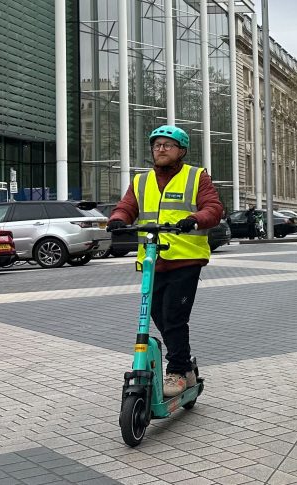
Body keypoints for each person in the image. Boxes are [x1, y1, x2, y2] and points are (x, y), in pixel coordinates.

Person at [107, 125, 224, 398]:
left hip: (185, 258)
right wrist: (118, 219)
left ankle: (179, 370)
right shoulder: (141, 180)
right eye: (156, 145)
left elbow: (213, 208)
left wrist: (194, 219)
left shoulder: (196, 176)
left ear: (181, 151)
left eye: (167, 145)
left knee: (173, 316)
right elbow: (128, 206)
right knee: (157, 314)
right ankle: (186, 365)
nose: (160, 149)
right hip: (153, 259)